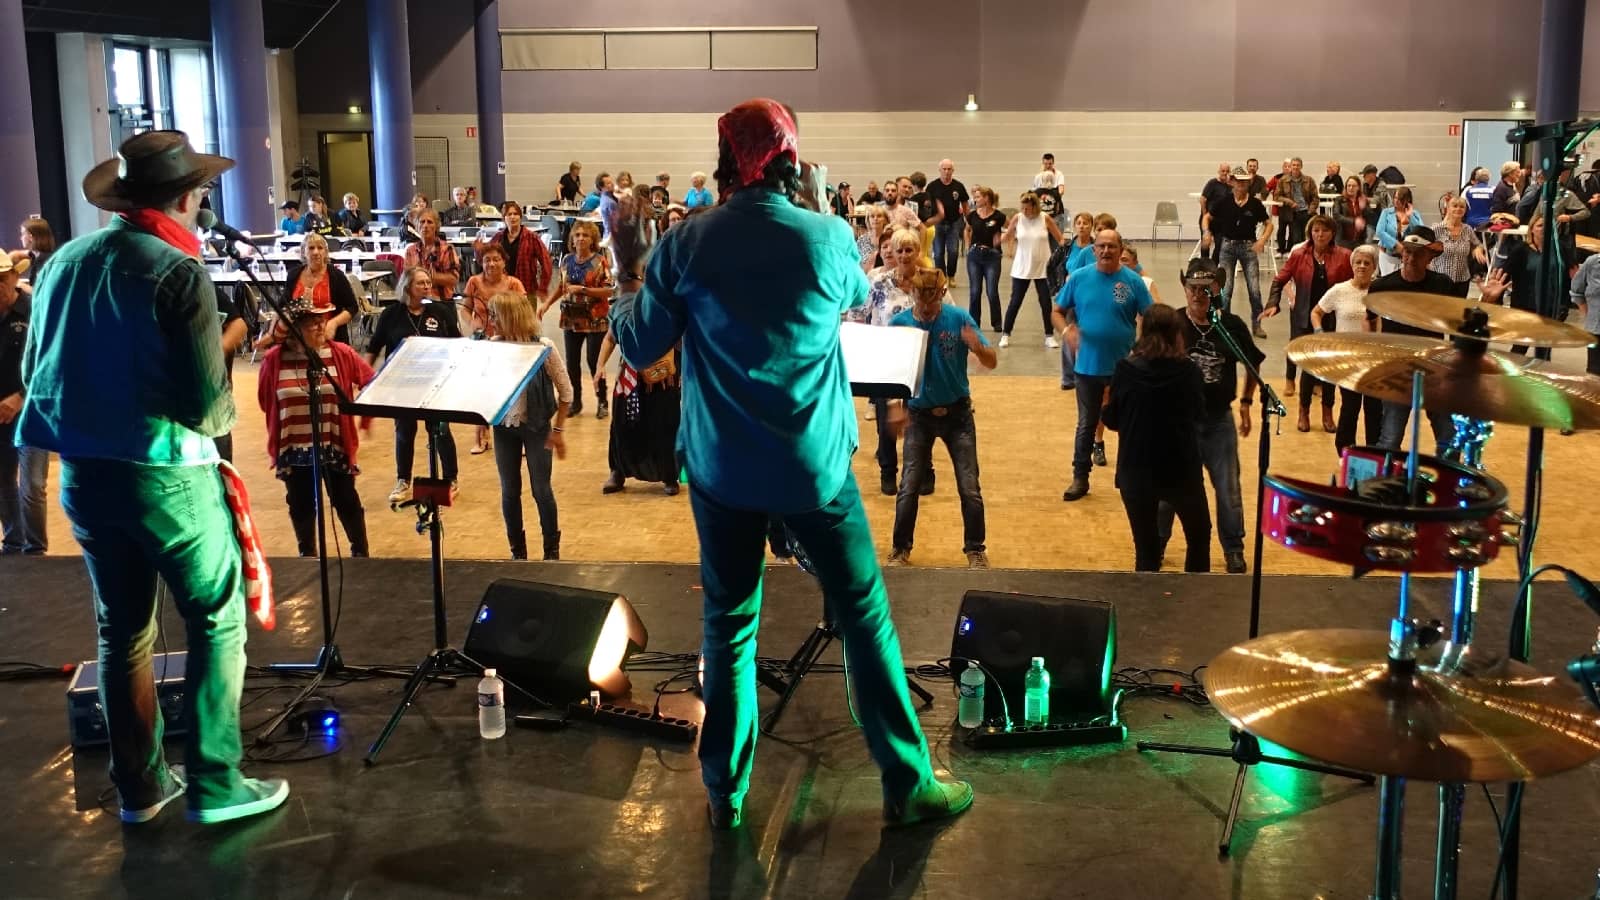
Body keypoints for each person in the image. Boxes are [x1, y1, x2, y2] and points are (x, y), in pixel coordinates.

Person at [607, 98, 971, 832]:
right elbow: (849, 292)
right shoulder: (827, 235)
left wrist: (626, 267)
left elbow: (640, 346)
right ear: (792, 160)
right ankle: (908, 784)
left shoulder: (686, 243)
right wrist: (814, 214)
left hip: (722, 470)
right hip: (813, 466)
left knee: (730, 627)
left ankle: (724, 792)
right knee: (865, 617)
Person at [16, 130, 288, 824]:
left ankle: (141, 788)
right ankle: (217, 784)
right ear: (190, 196)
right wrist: (228, 342)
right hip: (165, 476)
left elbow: (35, 373)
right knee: (217, 619)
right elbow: (204, 407)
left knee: (123, 631)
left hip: (83, 475)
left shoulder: (63, 263)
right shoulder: (177, 270)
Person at [884, 268, 996, 568]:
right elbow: (889, 370)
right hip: (919, 414)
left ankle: (975, 548)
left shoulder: (958, 319)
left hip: (958, 413)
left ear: (941, 293)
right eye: (921, 298)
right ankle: (900, 548)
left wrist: (977, 346)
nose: (926, 306)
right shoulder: (900, 324)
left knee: (969, 485)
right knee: (909, 484)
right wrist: (895, 405)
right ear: (912, 294)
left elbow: (991, 361)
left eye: (932, 299)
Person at [1159, 259, 1260, 574]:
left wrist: (1245, 402)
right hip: (1180, 422)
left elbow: (1252, 363)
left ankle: (1234, 549)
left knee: (1228, 488)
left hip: (1218, 420)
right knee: (1167, 490)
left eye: (1206, 289)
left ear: (1218, 290)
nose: (1198, 296)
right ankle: (1156, 544)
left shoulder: (1231, 326)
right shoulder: (1172, 324)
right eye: (1193, 289)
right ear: (1185, 289)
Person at [257, 293, 374, 557]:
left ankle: (361, 554)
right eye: (313, 322)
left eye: (323, 320)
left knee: (346, 500)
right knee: (300, 505)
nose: (322, 326)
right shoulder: (274, 360)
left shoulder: (340, 353)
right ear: (295, 330)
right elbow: (266, 401)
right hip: (293, 446)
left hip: (334, 443)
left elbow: (370, 381)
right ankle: (307, 555)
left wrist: (364, 417)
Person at [1101, 303, 1210, 573]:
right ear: (1176, 334)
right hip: (1181, 470)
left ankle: (1146, 610)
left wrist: (1108, 403)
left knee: (1146, 548)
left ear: (1143, 331)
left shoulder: (1125, 370)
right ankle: (1199, 601)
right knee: (1199, 536)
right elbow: (1199, 416)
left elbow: (1112, 420)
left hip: (1136, 472)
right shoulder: (1189, 372)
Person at [1054, 228, 1154, 501]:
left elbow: (1151, 315)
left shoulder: (1133, 282)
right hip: (1087, 367)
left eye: (1112, 246)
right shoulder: (1079, 279)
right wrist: (1066, 332)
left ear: (1121, 249)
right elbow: (1057, 310)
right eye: (1101, 246)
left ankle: (1128, 476)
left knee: (1128, 424)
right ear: (1094, 250)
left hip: (1125, 369)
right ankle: (1080, 477)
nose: (1106, 251)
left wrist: (1145, 347)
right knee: (1087, 424)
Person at [847, 227, 938, 496]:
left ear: (917, 252)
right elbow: (858, 315)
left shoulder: (928, 281)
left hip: (919, 357)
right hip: (884, 358)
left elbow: (946, 310)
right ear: (893, 254)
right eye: (899, 250)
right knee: (886, 418)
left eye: (909, 249)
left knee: (921, 417)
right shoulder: (878, 283)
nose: (904, 255)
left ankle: (924, 469)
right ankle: (888, 470)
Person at [365, 266, 462, 504]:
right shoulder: (391, 314)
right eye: (421, 283)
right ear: (407, 287)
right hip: (403, 385)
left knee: (440, 431)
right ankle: (403, 480)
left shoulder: (440, 311)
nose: (427, 286)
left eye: (428, 282)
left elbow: (458, 343)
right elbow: (374, 347)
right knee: (404, 432)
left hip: (435, 382)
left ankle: (451, 478)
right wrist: (367, 380)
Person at [488, 292, 570, 560]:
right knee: (509, 491)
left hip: (537, 427)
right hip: (503, 428)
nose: (491, 321)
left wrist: (557, 431)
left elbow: (566, 392)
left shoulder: (543, 347)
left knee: (541, 489)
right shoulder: (492, 346)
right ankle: (517, 551)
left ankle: (551, 551)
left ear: (510, 318)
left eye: (495, 316)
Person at [1369, 226, 1458, 452]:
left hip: (1434, 369)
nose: (1411, 258)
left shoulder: (1442, 284)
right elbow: (1369, 322)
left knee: (1448, 437)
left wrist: (1487, 299)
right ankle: (1385, 484)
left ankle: (1446, 485)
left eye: (1418, 253)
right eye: (1407, 251)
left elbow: (1457, 321)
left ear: (1430, 256)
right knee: (1390, 438)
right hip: (1397, 372)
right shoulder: (1381, 286)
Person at [1260, 215, 1350, 431]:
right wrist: (1274, 302)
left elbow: (1352, 284)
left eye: (1325, 231)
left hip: (1332, 318)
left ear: (1332, 234)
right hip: (1303, 316)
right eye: (1316, 231)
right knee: (1308, 369)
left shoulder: (1344, 256)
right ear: (1311, 232)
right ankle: (1304, 412)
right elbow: (1279, 280)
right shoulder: (1299, 254)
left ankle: (1328, 413)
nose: (1320, 235)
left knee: (1330, 368)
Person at [538, 219, 613, 419]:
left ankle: (602, 400)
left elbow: (609, 290)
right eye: (577, 235)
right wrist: (546, 305)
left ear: (593, 240)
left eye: (585, 235)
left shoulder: (600, 261)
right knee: (571, 362)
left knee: (594, 361)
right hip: (571, 318)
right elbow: (562, 287)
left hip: (595, 319)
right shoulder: (566, 260)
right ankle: (576, 402)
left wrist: (584, 289)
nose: (580, 238)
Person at [1315, 244, 1383, 454]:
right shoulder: (1339, 290)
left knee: (1374, 409)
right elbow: (1316, 312)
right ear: (1352, 265)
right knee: (1350, 407)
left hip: (1374, 360)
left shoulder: (1380, 291)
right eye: (1358, 262)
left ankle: (1374, 453)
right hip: (1348, 360)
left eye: (1367, 263)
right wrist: (1319, 332)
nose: (1361, 266)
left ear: (1374, 267)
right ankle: (1345, 452)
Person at [0, 254, 47, 554]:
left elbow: (49, 361)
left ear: (14, 279)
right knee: (3, 480)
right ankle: (14, 541)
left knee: (31, 484)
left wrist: (20, 397)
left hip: (31, 410)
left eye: (1, 280)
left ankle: (35, 548)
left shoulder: (34, 310)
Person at [257, 233, 360, 350]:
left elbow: (352, 307)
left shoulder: (337, 276)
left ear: (326, 252)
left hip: (328, 339)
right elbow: (282, 308)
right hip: (297, 340)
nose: (316, 252)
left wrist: (334, 323)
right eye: (311, 248)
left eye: (320, 248)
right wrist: (270, 334)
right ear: (303, 252)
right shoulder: (293, 274)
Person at [1202, 166, 1272, 332]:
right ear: (1232, 181)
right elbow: (1207, 217)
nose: (1241, 184)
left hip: (1248, 248)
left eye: (1244, 181)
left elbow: (1269, 224)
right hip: (1227, 247)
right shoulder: (1224, 201)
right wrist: (1207, 232)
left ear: (1249, 183)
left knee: (1254, 289)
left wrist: (1262, 240)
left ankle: (1257, 323)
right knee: (1226, 289)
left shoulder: (1255, 204)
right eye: (1238, 181)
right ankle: (1225, 324)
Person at [998, 191, 1064, 348]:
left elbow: (1059, 238)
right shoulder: (1018, 218)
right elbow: (1006, 236)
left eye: (1027, 208)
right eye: (1022, 208)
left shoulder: (1045, 218)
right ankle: (1006, 334)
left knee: (1045, 303)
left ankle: (1049, 336)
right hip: (1022, 266)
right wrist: (989, 238)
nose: (1024, 211)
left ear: (1035, 207)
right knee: (1015, 301)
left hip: (1043, 267)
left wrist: (1064, 255)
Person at [963, 187, 1006, 331]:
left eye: (978, 197)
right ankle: (974, 322)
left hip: (992, 257)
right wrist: (969, 247)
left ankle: (997, 322)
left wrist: (1002, 241)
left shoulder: (998, 216)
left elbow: (1011, 228)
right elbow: (967, 230)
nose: (975, 200)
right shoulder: (972, 215)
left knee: (992, 291)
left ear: (986, 198)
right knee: (975, 291)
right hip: (975, 256)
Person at [1430, 196, 1487, 296]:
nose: (1458, 209)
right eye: (1455, 206)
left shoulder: (1467, 229)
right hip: (1440, 280)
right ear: (1448, 208)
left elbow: (1478, 244)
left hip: (1462, 280)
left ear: (1465, 210)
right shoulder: (1436, 229)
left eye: (1461, 207)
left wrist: (1478, 249)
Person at [403, 209, 460, 298]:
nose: (425, 225)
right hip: (416, 301)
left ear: (436, 227)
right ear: (417, 227)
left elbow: (454, 279)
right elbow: (406, 279)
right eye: (422, 222)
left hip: (441, 301)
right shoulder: (410, 251)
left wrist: (429, 277)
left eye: (429, 222)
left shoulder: (447, 249)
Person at [927, 159, 969, 279]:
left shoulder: (958, 186)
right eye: (944, 169)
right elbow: (926, 205)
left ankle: (951, 276)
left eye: (949, 169)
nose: (946, 172)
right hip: (937, 224)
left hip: (954, 223)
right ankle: (941, 277)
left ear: (953, 170)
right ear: (939, 170)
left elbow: (965, 205)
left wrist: (969, 222)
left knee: (953, 252)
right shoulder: (932, 186)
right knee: (939, 253)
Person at [1375, 187, 1425, 276]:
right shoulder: (1386, 212)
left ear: (1408, 199)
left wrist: (1410, 216)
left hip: (1407, 257)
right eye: (1395, 197)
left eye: (1400, 198)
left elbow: (1420, 232)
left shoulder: (1415, 214)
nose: (1396, 201)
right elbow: (1380, 231)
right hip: (1388, 255)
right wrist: (1395, 244)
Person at [1274, 157, 1318, 256]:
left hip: (1307, 212)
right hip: (1293, 213)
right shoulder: (1283, 180)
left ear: (1301, 166)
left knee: (1307, 238)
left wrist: (1310, 210)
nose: (1295, 167)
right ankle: (1298, 259)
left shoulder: (1309, 180)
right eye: (1294, 165)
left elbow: (1315, 198)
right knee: (1296, 238)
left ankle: (1308, 258)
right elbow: (1276, 196)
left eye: (1298, 165)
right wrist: (1289, 202)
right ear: (1290, 166)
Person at [1572, 250, 1600, 376]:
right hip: (1596, 330)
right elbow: (1576, 291)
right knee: (1594, 375)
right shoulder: (1592, 262)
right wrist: (1587, 315)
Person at [1198, 162, 1231, 260]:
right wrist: (1205, 215)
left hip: (1221, 222)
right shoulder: (1212, 183)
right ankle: (1204, 263)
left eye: (1227, 171)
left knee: (1220, 245)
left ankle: (1213, 266)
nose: (1225, 173)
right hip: (1208, 219)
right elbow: (1202, 199)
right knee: (1206, 244)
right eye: (1223, 171)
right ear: (1219, 171)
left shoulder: (1231, 186)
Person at [1331, 176, 1367, 250]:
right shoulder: (1339, 200)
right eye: (1349, 185)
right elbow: (1336, 216)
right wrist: (1354, 221)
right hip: (1343, 240)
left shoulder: (1362, 200)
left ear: (1359, 188)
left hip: (1359, 240)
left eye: (1354, 186)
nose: (1351, 188)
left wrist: (1364, 207)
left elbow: (1370, 218)